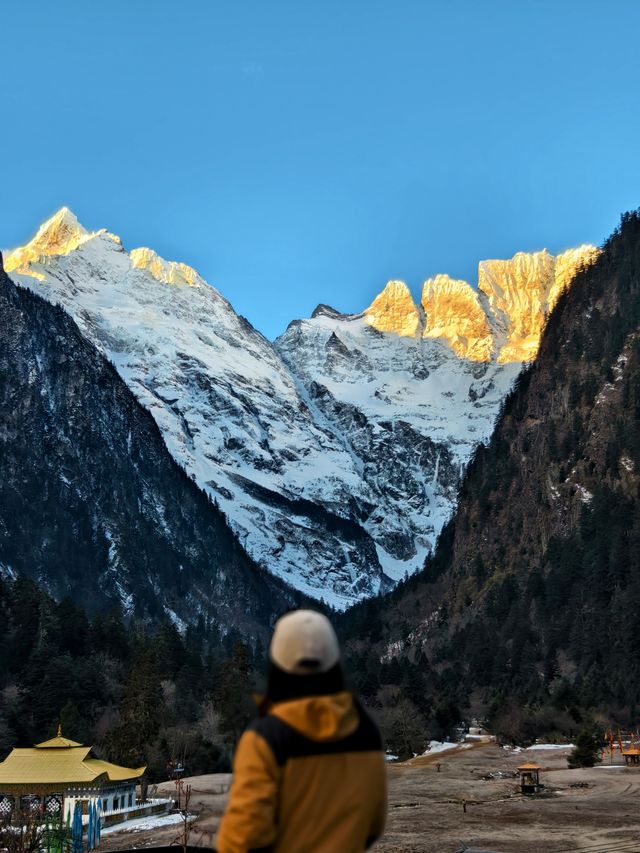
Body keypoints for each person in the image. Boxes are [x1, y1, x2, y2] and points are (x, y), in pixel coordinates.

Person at [215, 609, 387, 852]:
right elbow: (373, 824)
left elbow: (242, 839)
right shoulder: (365, 731)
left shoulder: (266, 737)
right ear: (333, 659)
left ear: (277, 660)